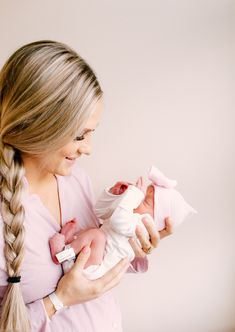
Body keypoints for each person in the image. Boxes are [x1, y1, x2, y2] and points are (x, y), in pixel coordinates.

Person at [0, 40, 173, 332]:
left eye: (92, 133)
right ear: (38, 125)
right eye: (80, 136)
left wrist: (131, 248)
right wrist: (59, 299)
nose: (89, 149)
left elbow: (94, 268)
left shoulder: (76, 180)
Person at [49, 165, 196, 280]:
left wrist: (133, 194)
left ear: (154, 220)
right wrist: (114, 194)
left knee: (97, 234)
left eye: (145, 199)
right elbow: (101, 212)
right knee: (92, 232)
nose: (140, 197)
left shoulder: (141, 227)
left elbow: (117, 220)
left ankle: (61, 255)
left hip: (92, 271)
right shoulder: (130, 216)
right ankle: (67, 243)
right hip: (89, 258)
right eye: (143, 193)